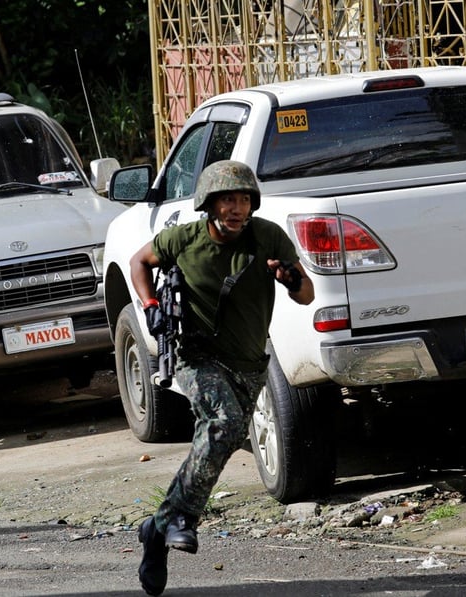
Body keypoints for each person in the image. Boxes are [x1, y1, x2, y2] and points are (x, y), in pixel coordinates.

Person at [129, 160, 314, 595]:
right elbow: (140, 261)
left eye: (244, 199)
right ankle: (181, 519)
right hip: (196, 358)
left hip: (250, 364)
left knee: (222, 439)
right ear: (209, 203)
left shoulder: (267, 236)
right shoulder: (184, 239)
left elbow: (306, 295)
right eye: (228, 199)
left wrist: (289, 279)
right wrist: (150, 305)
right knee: (224, 423)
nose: (237, 208)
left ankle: (157, 529)